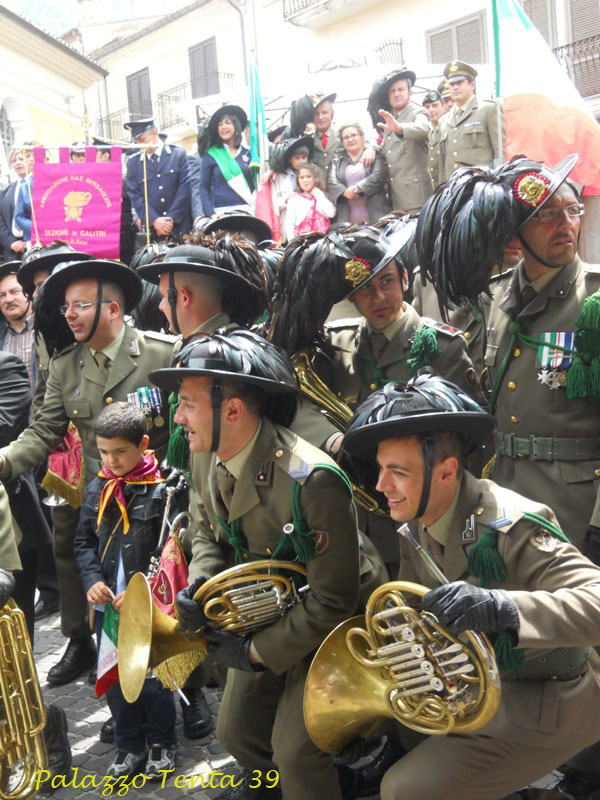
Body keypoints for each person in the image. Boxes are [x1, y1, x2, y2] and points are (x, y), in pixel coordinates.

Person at [149, 329, 385, 800]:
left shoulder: (311, 479)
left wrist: (255, 654)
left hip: (333, 620)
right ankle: (323, 786)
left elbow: (333, 599)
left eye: (188, 404)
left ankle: (312, 783)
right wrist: (201, 584)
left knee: (296, 753)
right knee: (236, 734)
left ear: (233, 410)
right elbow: (206, 528)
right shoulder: (206, 452)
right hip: (270, 608)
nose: (177, 417)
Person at [341, 373, 600, 800]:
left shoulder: (513, 525)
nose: (381, 485)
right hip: (478, 692)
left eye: (397, 472)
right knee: (402, 735)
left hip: (544, 703)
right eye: (381, 469)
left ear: (446, 471)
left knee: (402, 790)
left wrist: (504, 607)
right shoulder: (419, 516)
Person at [0, 258, 175, 688]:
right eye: (66, 307)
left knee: (168, 593)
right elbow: (43, 430)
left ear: (112, 308)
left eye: (79, 305)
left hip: (161, 503)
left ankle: (186, 686)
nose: (69, 316)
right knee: (110, 598)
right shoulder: (65, 366)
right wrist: (4, 460)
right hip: (106, 508)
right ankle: (121, 691)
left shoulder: (163, 353)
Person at [268, 225, 478, 573]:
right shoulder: (336, 345)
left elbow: (469, 442)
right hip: (354, 521)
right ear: (351, 298)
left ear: (405, 280)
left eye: (387, 282)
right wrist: (333, 440)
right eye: (364, 289)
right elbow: (296, 400)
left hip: (422, 521)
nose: (378, 297)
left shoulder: (442, 347)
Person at [74, 402, 177, 779]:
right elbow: (83, 543)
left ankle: (163, 740)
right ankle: (129, 742)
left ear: (143, 444)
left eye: (120, 451)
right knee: (115, 678)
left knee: (152, 678)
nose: (111, 461)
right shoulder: (96, 488)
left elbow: (171, 553)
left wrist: (145, 591)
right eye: (103, 452)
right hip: (107, 608)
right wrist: (92, 581)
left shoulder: (162, 490)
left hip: (146, 606)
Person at [367, 67, 433, 213]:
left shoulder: (418, 112)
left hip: (416, 199)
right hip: (395, 199)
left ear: (410, 93)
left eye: (401, 89)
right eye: (392, 91)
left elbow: (423, 128)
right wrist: (372, 148)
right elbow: (388, 148)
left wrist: (400, 129)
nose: (396, 94)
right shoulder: (390, 119)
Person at [124, 117, 192, 240]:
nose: (139, 145)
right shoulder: (134, 163)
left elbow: (185, 189)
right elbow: (136, 196)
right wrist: (154, 220)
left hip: (180, 227)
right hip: (154, 231)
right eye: (136, 142)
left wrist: (170, 220)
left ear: (154, 133)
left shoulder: (178, 154)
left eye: (142, 140)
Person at [438, 60, 503, 183]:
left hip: (480, 185)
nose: (455, 87)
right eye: (452, 84)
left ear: (472, 85)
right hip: (454, 187)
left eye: (459, 83)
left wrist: (499, 182)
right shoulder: (444, 121)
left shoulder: (488, 110)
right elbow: (442, 163)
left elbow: (500, 152)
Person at [327, 122, 389, 225]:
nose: (350, 139)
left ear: (362, 137)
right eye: (346, 137)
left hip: (376, 219)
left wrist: (356, 188)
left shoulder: (375, 157)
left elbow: (379, 176)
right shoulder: (336, 162)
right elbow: (331, 182)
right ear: (342, 142)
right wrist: (345, 192)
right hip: (345, 222)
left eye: (354, 135)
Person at [199, 105, 255, 217]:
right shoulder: (211, 154)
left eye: (228, 123)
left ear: (236, 126)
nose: (223, 127)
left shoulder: (249, 154)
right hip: (221, 213)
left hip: (248, 211)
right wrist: (211, 213)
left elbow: (258, 184)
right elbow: (203, 187)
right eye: (220, 124)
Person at [267, 135, 314, 240]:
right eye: (296, 158)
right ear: (290, 159)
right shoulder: (279, 177)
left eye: (303, 157)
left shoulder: (314, 175)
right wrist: (286, 199)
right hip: (287, 226)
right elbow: (272, 206)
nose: (301, 161)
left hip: (309, 225)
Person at [283, 163, 336, 241]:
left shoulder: (322, 197)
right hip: (302, 242)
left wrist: (318, 195)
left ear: (316, 178)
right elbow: (289, 225)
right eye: (302, 177)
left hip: (322, 242)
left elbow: (331, 214)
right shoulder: (294, 200)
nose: (305, 180)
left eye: (308, 177)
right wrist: (292, 243)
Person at [0, 146, 32, 259]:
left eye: (21, 159)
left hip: (36, 247)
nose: (17, 163)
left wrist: (29, 243)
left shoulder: (41, 187)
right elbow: (1, 220)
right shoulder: (5, 192)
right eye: (14, 160)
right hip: (13, 251)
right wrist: (11, 242)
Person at [422, 90, 445, 188]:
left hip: (445, 186)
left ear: (443, 107)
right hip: (428, 189)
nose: (431, 110)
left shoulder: (449, 128)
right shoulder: (423, 131)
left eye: (435, 106)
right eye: (427, 107)